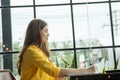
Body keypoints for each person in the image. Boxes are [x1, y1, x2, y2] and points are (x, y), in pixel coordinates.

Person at [17, 18, 96, 80]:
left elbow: (50, 76)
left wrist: (62, 76)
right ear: (36, 32)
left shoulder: (38, 52)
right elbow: (54, 71)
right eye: (45, 31)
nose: (48, 34)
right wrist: (85, 71)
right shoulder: (31, 51)